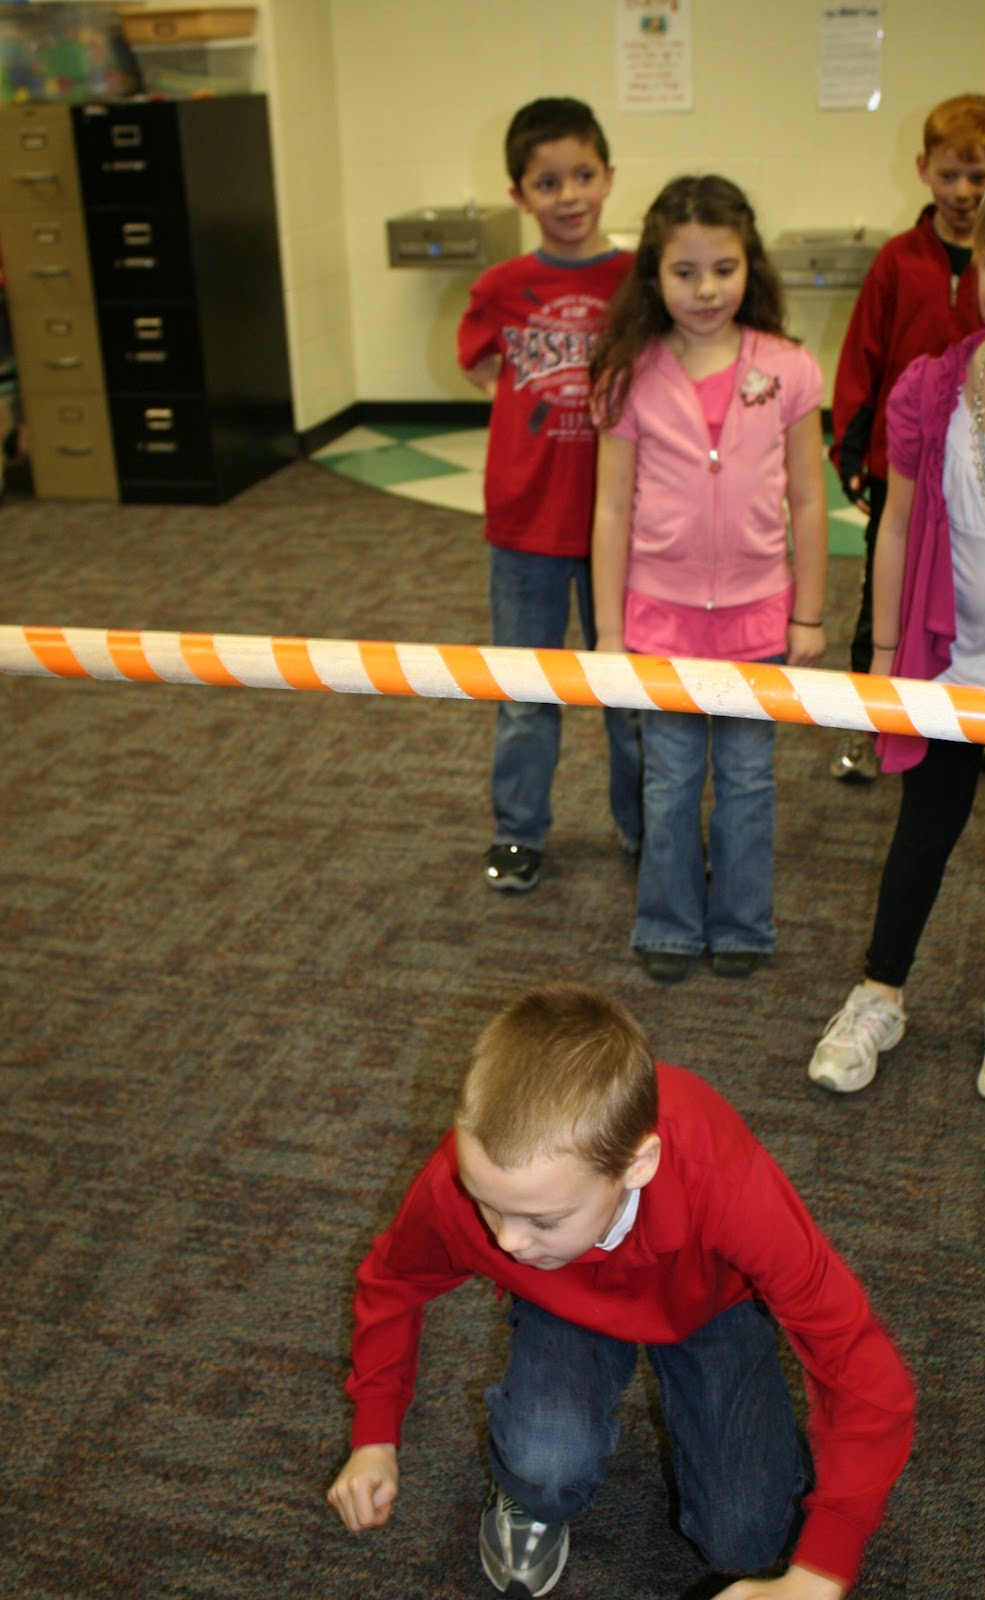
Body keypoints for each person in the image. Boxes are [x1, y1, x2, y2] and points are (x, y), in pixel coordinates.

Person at [327, 983, 915, 1600]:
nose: (506, 1243)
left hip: (709, 1305)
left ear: (639, 1166)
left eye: (542, 1219)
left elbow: (862, 1366)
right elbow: (393, 1281)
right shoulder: (472, 1184)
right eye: (489, 1207)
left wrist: (824, 1568)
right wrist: (373, 1436)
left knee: (745, 1541)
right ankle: (521, 1491)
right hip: (563, 1298)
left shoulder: (722, 1182)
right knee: (543, 1468)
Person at [808, 158, 985, 1104]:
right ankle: (880, 991)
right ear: (972, 271)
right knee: (924, 828)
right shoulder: (933, 388)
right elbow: (898, 523)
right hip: (946, 662)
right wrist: (883, 659)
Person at [590, 176, 827, 985]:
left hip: (758, 619)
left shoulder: (787, 370)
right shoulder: (630, 372)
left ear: (748, 267)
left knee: (748, 780)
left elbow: (806, 497)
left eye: (722, 269)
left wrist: (810, 615)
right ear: (653, 276)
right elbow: (612, 509)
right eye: (683, 272)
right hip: (659, 623)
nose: (704, 290)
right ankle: (665, 918)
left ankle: (741, 923)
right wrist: (608, 633)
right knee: (669, 779)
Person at [457, 97, 642, 894]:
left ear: (607, 176)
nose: (566, 196)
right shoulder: (502, 285)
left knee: (629, 692)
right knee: (526, 694)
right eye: (545, 182)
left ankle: (644, 827)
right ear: (518, 195)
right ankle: (517, 831)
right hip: (526, 524)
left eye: (581, 176)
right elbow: (479, 366)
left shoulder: (638, 278)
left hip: (624, 529)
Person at [829, 93, 985, 783]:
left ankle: (974, 721)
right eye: (949, 175)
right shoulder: (896, 262)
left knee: (974, 596)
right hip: (897, 465)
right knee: (884, 595)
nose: (963, 193)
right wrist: (851, 447)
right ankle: (865, 725)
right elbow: (860, 357)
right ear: (922, 170)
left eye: (979, 176)